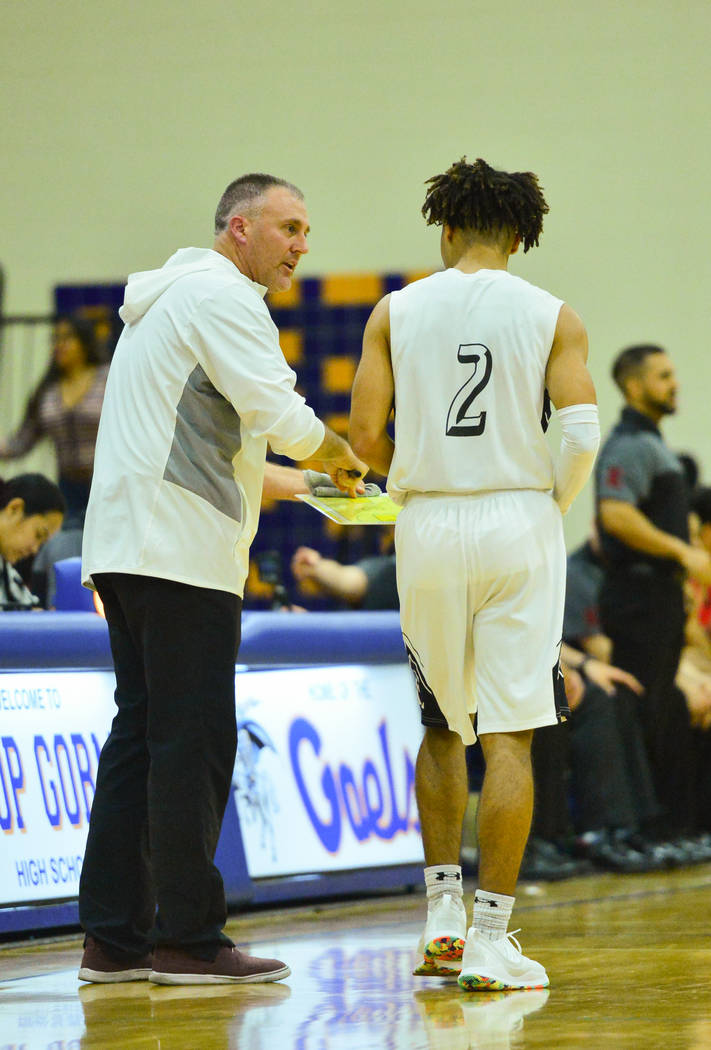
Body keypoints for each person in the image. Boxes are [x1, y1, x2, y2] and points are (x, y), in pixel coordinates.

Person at [77, 173, 367, 987]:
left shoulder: (169, 299)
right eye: (289, 227)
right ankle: (189, 939)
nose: (302, 245)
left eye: (307, 231)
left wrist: (317, 483)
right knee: (191, 743)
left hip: (130, 546)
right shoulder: (225, 298)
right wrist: (343, 455)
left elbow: (225, 452)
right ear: (239, 228)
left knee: (140, 738)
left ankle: (113, 939)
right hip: (180, 555)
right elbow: (283, 416)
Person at [349, 157, 600, 992]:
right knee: (510, 734)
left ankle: (441, 918)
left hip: (425, 523)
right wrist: (551, 503)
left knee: (437, 724)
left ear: (445, 227)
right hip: (517, 518)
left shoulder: (394, 310)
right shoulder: (551, 314)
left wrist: (412, 476)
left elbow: (365, 433)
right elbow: (579, 432)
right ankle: (492, 939)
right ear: (521, 237)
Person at [595, 345, 711, 845]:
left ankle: (675, 824)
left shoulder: (654, 444)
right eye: (663, 376)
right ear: (633, 385)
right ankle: (646, 829)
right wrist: (682, 553)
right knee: (646, 707)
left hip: (658, 596)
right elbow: (615, 512)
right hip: (637, 596)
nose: (674, 383)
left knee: (664, 706)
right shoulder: (628, 445)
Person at [0, 316, 109, 527]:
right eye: (55, 338)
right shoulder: (48, 390)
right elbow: (21, 441)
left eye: (67, 338)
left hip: (107, 481)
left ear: (85, 342)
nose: (59, 344)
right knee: (70, 544)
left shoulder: (107, 377)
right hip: (68, 486)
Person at [0, 474, 64, 609]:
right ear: (14, 509)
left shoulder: (5, 571)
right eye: (38, 534)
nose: (34, 549)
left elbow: (34, 617)